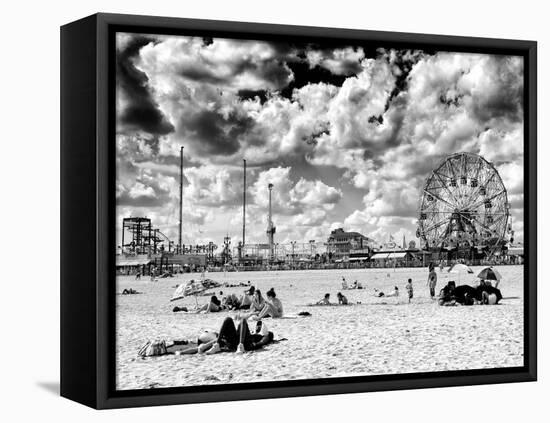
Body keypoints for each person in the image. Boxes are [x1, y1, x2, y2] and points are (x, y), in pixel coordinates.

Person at [200, 316, 275, 354]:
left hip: (245, 344)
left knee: (243, 320)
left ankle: (241, 346)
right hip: (235, 341)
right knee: (228, 319)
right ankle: (217, 345)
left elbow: (263, 342)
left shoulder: (265, 335)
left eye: (259, 325)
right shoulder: (253, 332)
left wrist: (254, 345)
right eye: (257, 325)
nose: (257, 326)